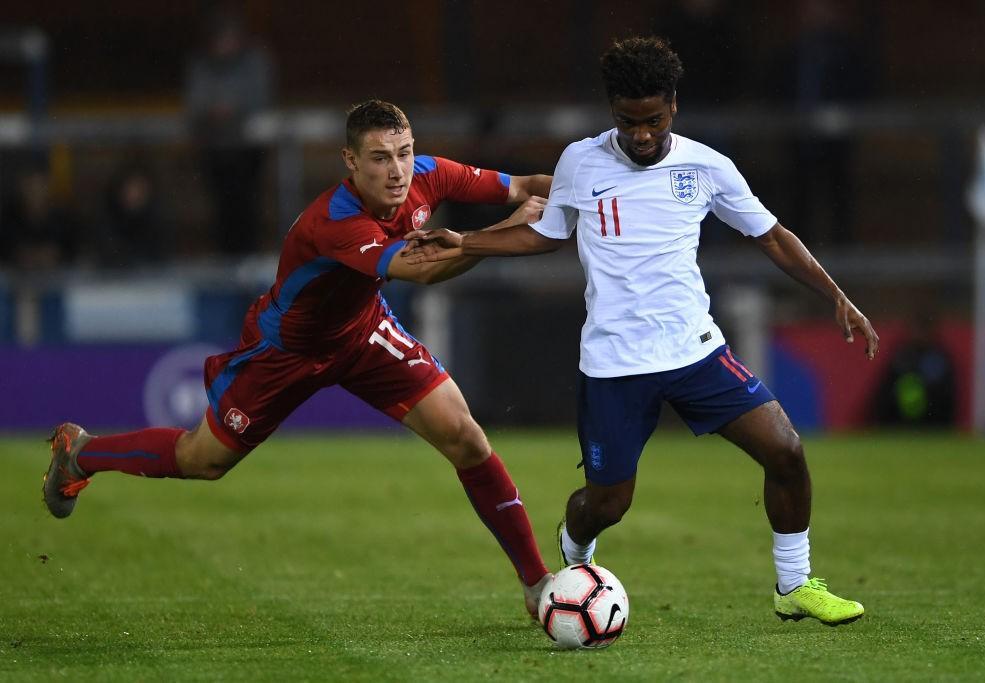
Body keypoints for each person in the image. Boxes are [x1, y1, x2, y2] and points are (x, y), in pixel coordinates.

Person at [407, 37, 880, 626]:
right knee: (607, 504)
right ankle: (575, 553)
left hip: (695, 351)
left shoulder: (707, 167)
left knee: (785, 450)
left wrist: (837, 296)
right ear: (613, 113)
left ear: (673, 108)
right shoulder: (581, 161)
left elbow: (772, 236)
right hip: (613, 364)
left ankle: (795, 585)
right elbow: (547, 235)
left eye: (653, 121)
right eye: (629, 123)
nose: (642, 135)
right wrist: (467, 241)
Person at [43, 99, 554, 617]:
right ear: (350, 163)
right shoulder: (334, 221)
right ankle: (82, 452)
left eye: (403, 153)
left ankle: (538, 585)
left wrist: (603, 189)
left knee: (466, 437)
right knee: (203, 460)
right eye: (379, 158)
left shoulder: (428, 174)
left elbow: (525, 185)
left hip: (362, 331)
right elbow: (421, 268)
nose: (396, 170)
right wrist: (505, 234)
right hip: (285, 352)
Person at [184, 8, 274, 255]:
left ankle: (249, 255)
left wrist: (235, 111)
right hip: (215, 148)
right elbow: (196, 104)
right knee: (222, 206)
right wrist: (213, 112)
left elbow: (260, 100)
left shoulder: (255, 61)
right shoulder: (201, 65)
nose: (225, 45)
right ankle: (226, 256)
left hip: (248, 150)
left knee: (247, 204)